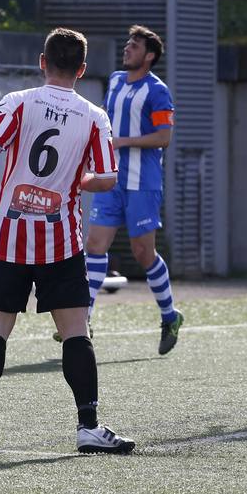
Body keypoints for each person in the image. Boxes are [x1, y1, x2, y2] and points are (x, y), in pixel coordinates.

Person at [0, 28, 135, 455]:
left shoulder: (17, 102)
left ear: (42, 62)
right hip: (60, 239)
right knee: (75, 331)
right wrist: (81, 178)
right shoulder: (94, 115)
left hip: (8, 234)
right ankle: (87, 426)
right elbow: (109, 178)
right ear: (82, 69)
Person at [83, 25, 184, 354]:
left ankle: (170, 316)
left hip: (143, 182)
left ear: (149, 55)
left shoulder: (157, 91)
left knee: (143, 253)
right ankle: (83, 318)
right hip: (110, 178)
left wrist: (122, 142)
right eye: (127, 42)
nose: (127, 48)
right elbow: (103, 123)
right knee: (95, 245)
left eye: (134, 45)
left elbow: (164, 137)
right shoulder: (114, 81)